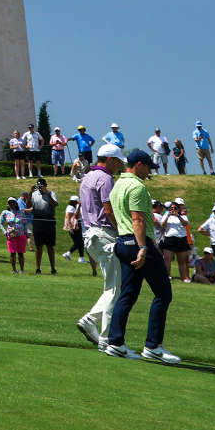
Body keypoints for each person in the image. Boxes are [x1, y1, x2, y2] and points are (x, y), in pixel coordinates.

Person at [104, 149, 180, 364]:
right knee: (163, 294)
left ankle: (115, 343)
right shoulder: (137, 187)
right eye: (148, 168)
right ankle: (153, 346)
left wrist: (123, 233)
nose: (149, 173)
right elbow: (138, 219)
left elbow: (109, 211)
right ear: (139, 164)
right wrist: (143, 248)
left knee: (128, 294)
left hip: (123, 242)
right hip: (138, 244)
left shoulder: (117, 185)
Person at [75, 143, 123, 348]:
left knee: (111, 287)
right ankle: (105, 336)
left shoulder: (87, 177)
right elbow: (109, 209)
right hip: (105, 234)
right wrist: (122, 231)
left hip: (91, 235)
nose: (119, 166)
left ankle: (96, 326)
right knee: (115, 289)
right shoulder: (105, 178)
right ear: (110, 160)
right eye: (118, 161)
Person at [27, 178, 59, 275]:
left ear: (46, 186)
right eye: (39, 186)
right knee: (39, 246)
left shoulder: (51, 193)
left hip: (49, 220)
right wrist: (30, 193)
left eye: (42, 186)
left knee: (50, 246)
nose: (41, 188)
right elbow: (28, 205)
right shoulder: (34, 194)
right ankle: (38, 268)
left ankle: (53, 268)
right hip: (37, 220)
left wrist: (47, 194)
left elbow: (54, 204)